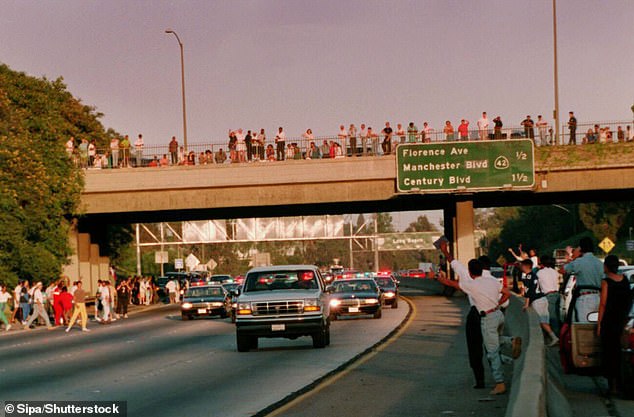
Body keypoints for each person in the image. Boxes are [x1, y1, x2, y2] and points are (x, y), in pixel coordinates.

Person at [435, 240, 522, 395]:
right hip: (497, 312)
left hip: (480, 314)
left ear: (471, 271)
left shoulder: (471, 282)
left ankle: (490, 381)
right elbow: (507, 297)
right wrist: (497, 305)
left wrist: (444, 253)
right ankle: (509, 343)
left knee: (483, 349)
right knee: (492, 342)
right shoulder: (494, 280)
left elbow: (453, 269)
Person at [597, 255, 633, 395]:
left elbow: (603, 304)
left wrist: (599, 323)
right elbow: (628, 300)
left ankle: (612, 386)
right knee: (619, 353)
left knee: (609, 353)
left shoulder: (606, 282)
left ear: (606, 266)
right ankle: (620, 383)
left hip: (609, 322)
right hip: (622, 320)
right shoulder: (624, 280)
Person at [520, 259, 559, 346]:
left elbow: (528, 291)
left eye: (521, 265)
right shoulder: (534, 275)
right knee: (545, 320)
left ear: (525, 266)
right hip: (543, 298)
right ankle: (551, 337)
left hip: (537, 301)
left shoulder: (528, 277)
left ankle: (554, 337)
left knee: (541, 321)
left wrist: (526, 304)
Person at [563, 237, 603, 322]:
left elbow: (563, 270)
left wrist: (573, 257)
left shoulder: (579, 262)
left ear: (581, 248)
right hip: (599, 297)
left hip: (585, 297)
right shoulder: (599, 263)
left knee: (584, 326)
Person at [537, 255, 561, 335]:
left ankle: (555, 336)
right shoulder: (555, 271)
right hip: (557, 294)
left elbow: (538, 286)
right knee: (557, 315)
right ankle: (558, 334)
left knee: (551, 317)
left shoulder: (540, 272)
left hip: (548, 295)